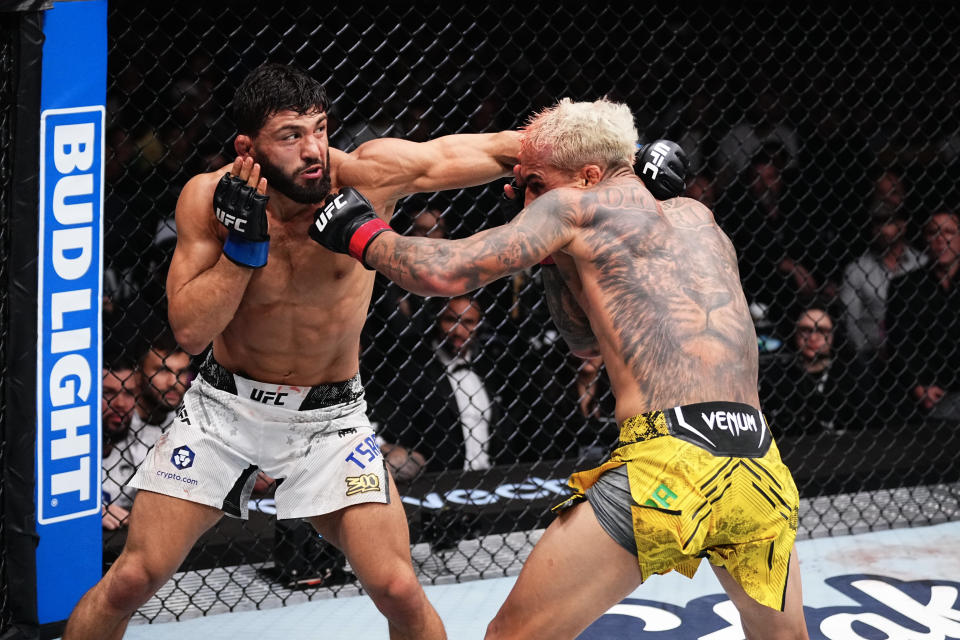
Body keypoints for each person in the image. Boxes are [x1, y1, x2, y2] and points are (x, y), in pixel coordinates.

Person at [311, 98, 808, 638]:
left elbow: (445, 272)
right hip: (758, 460)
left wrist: (360, 230)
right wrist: (552, 254)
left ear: (588, 174)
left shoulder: (573, 206)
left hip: (668, 463)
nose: (526, 197)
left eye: (533, 182)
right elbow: (586, 343)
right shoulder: (699, 217)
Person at [63, 62, 519, 640]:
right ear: (247, 147)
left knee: (399, 589)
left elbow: (482, 151)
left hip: (330, 419)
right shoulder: (206, 197)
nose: (314, 151)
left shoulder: (364, 178)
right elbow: (191, 333)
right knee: (132, 578)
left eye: (321, 129)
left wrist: (591, 151)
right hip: (224, 412)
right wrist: (241, 252)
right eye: (291, 136)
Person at [886, 210, 960, 421]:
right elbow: (900, 343)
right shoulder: (905, 287)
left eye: (949, 231)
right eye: (933, 232)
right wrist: (918, 386)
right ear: (925, 239)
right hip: (928, 388)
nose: (941, 239)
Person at [760, 304, 871, 436]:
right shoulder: (777, 376)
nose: (813, 338)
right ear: (794, 332)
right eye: (806, 330)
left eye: (822, 331)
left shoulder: (853, 374)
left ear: (834, 333)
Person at [101, 358, 141, 530]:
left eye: (129, 393)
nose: (120, 404)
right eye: (107, 393)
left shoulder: (143, 442)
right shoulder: (60, 451)